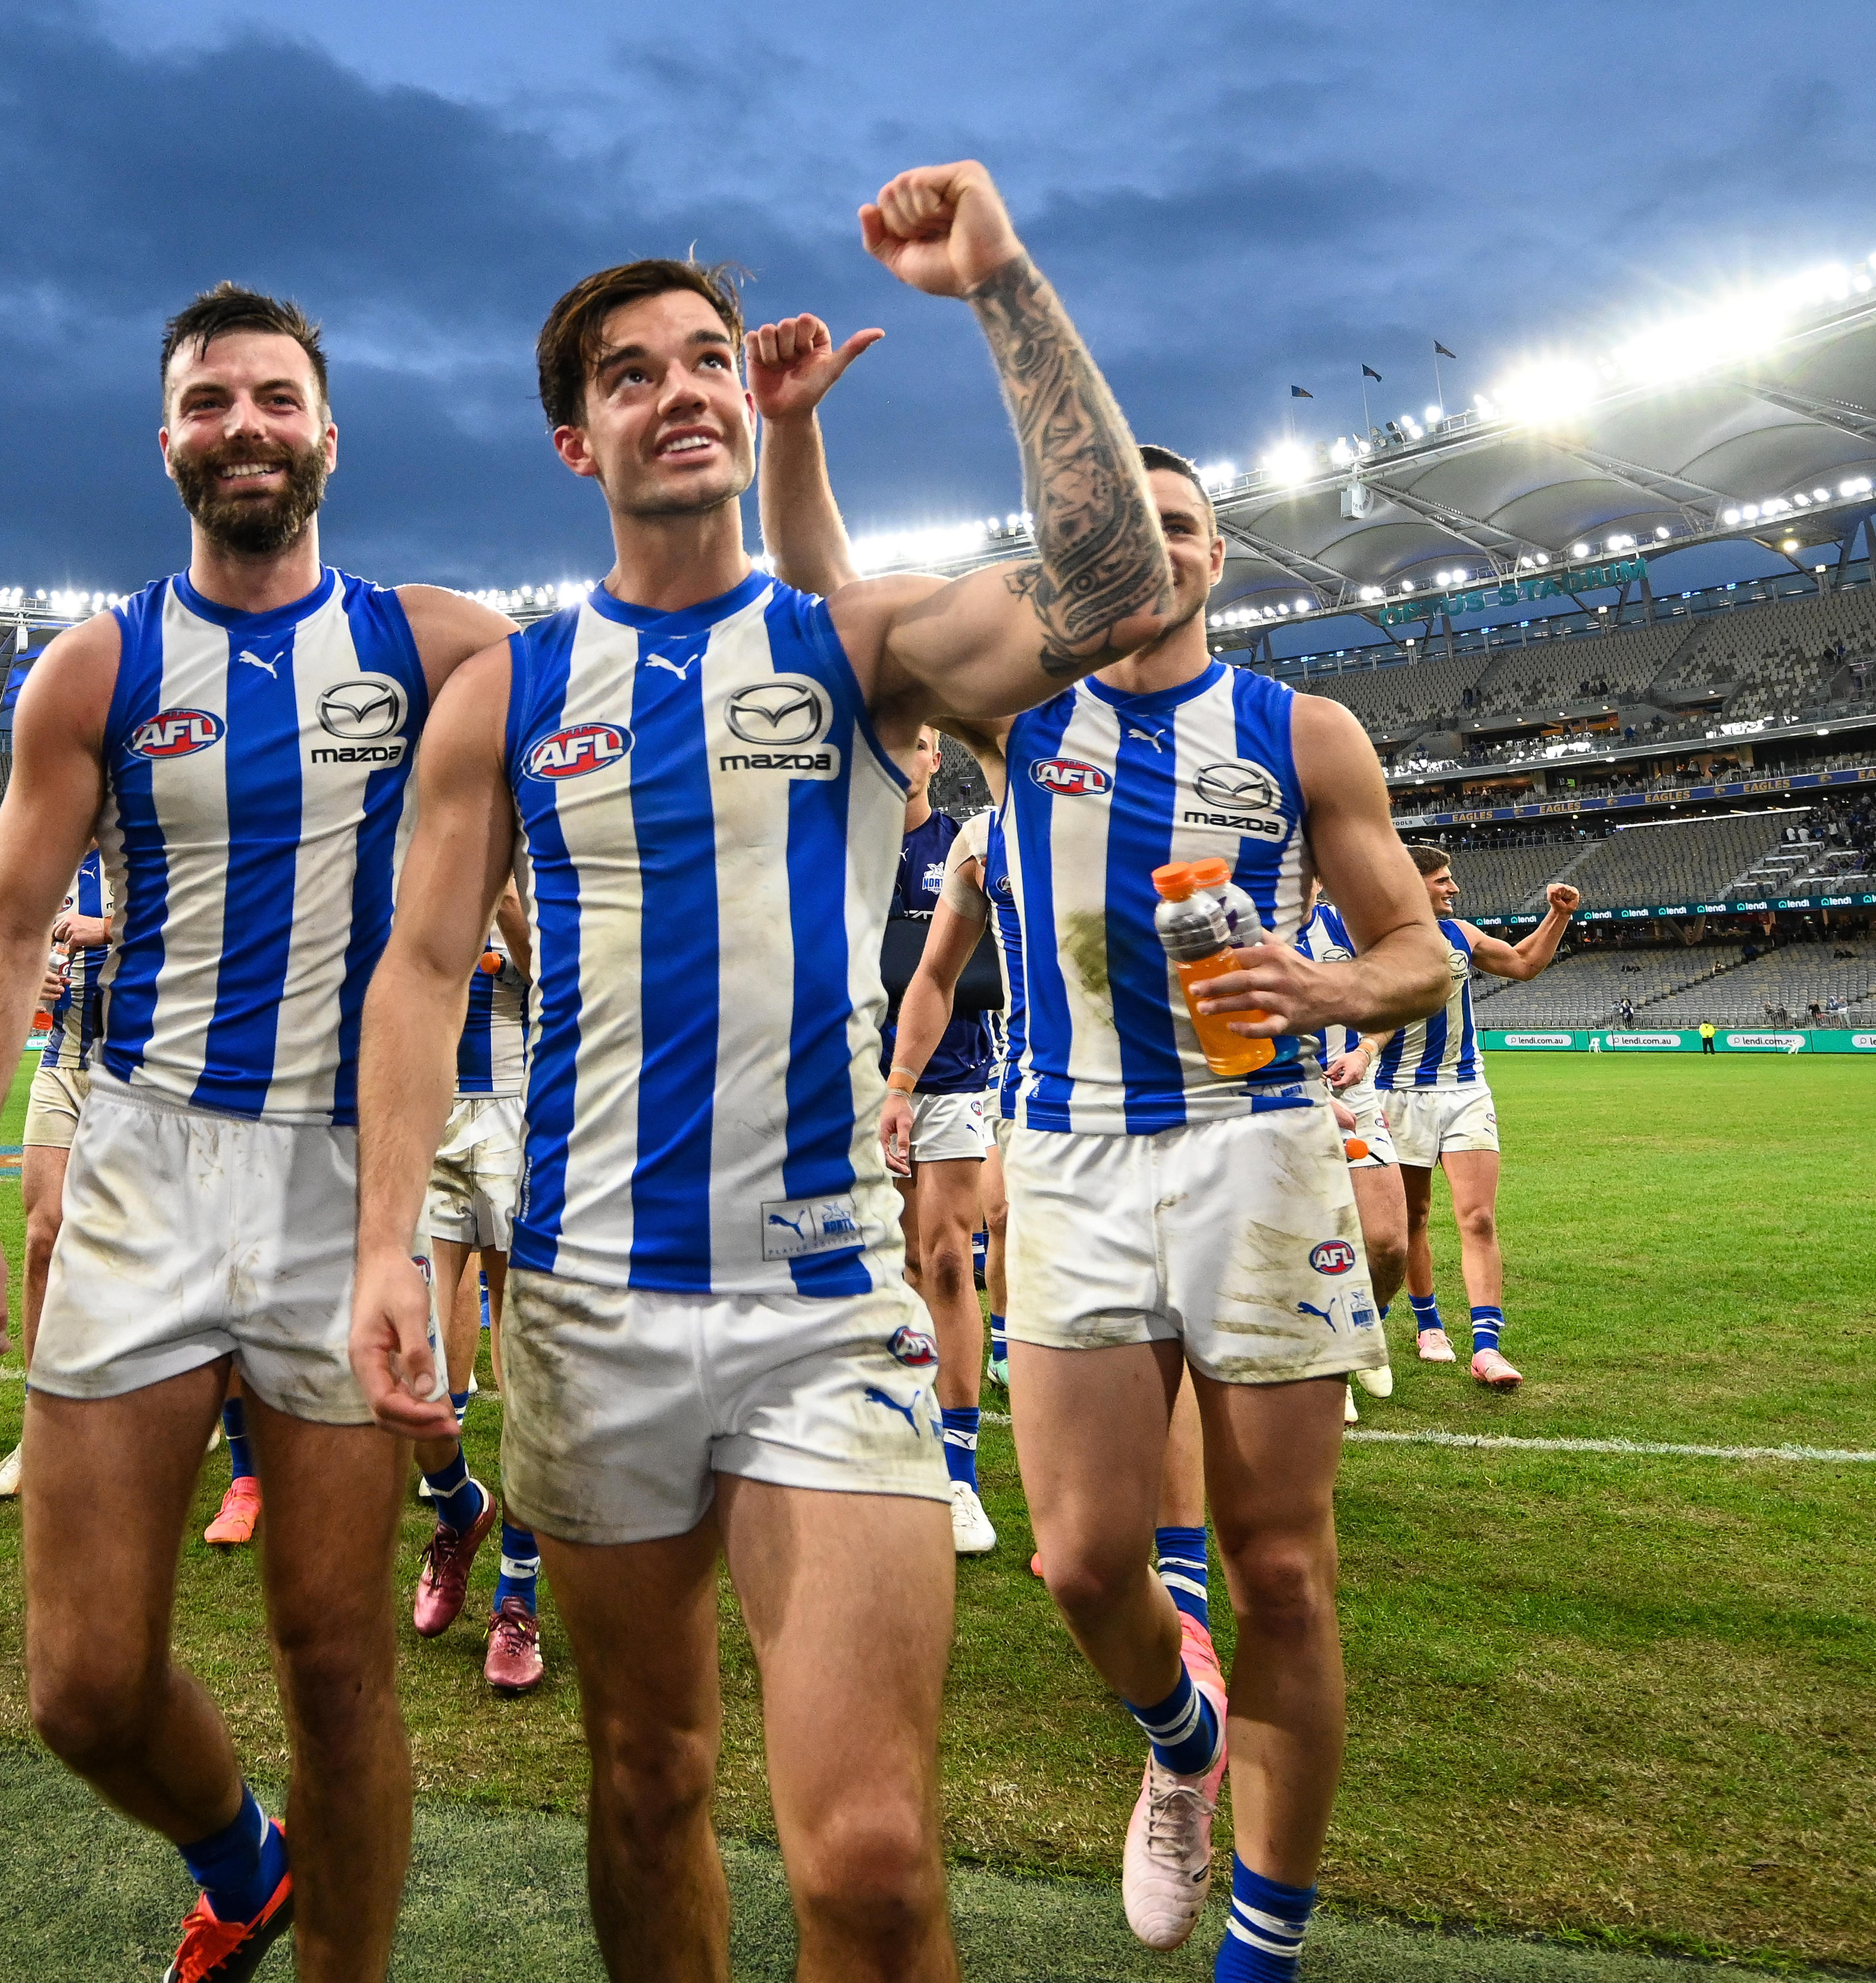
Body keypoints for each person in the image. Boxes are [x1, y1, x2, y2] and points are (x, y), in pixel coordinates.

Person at [353, 164, 1180, 1978]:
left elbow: (1118, 584)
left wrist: (1003, 286)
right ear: (578, 441)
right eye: (632, 372)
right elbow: (418, 969)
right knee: (644, 1783)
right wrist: (374, 1261)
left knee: (874, 1864)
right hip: (586, 1305)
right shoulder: (510, 687)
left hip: (828, 1309)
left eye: (705, 359)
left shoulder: (854, 649)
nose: (680, 389)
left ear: (747, 395)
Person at [757, 315, 1445, 1969]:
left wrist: (1328, 980)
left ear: (1217, 557)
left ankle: (1262, 1938)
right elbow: (833, 604)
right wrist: (791, 433)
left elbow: (1418, 949)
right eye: (1127, 523)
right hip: (1068, 1159)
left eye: (1189, 524)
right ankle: (1182, 1742)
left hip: (1261, 1149)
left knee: (1280, 1571)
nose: (1162, 546)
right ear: (1086, 553)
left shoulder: (1304, 733)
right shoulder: (1020, 725)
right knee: (1078, 1559)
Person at [0, 283, 516, 1983]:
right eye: (207, 401)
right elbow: (8, 932)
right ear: (166, 438)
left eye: (273, 397)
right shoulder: (99, 664)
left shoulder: (440, 643)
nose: (242, 425)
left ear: (328, 431)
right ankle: (244, 1864)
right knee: (85, 1683)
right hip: (149, 1166)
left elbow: (653, 695)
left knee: (336, 1663)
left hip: (351, 1179)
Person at [403, 883, 543, 1691]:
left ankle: (516, 1600)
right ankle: (459, 1505)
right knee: (409, 1368)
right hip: (429, 1111)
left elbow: (566, 978)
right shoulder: (423, 838)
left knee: (524, 1368)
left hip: (518, 1112)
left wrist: (509, 906)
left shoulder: (544, 822)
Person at [1378, 857, 1577, 1392]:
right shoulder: (1376, 937)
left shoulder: (1460, 933)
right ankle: (1429, 1326)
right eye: (1442, 879)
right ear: (1410, 883)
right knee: (1412, 1217)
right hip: (1397, 1091)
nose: (1454, 887)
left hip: (1466, 1089)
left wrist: (1556, 916)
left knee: (1480, 1219)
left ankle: (1487, 1348)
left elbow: (1522, 963)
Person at [881, 731, 1001, 1555]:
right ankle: (895, 1433)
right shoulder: (832, 848)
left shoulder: (959, 845)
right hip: (851, 1080)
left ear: (934, 761)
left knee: (949, 1260)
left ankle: (959, 1469)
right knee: (890, 1267)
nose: (903, 755)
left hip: (953, 1078)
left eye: (920, 744)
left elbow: (975, 973)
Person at [0, 849, 108, 1503]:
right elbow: (8, 943)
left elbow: (216, 924)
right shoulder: (53, 848)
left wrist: (108, 928)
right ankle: (41, 1431)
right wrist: (31, 976)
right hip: (62, 1064)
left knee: (151, 1250)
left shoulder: (167, 822)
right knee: (43, 1239)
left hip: (150, 1071)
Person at [1294, 878, 1407, 1421]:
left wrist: (1364, 1048)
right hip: (1274, 1100)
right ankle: (1329, 1363)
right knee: (1309, 1242)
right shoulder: (1242, 928)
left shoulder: (1343, 926)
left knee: (1388, 1244)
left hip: (1355, 1095)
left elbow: (1386, 1004)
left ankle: (1366, 1329)